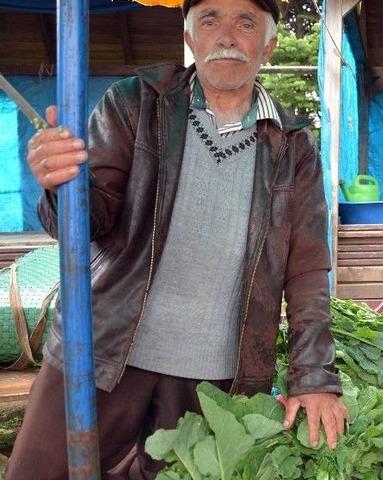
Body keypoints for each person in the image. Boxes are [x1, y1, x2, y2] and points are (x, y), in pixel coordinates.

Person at [7, 1, 346, 478]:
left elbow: (307, 267)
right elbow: (88, 224)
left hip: (214, 382)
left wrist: (313, 376)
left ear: (267, 45)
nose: (226, 36)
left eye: (245, 23)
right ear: (190, 38)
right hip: (99, 354)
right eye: (209, 20)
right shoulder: (135, 102)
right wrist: (62, 182)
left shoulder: (294, 145)